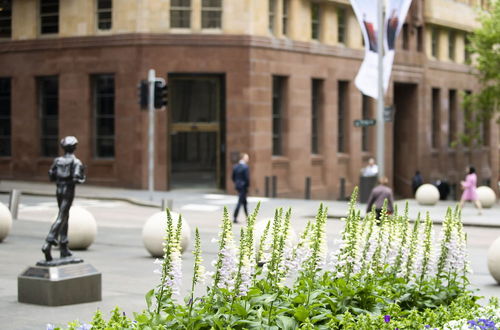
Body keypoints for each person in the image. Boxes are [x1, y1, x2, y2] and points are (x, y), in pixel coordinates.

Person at [41, 136, 86, 262]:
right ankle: (48, 242)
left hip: (59, 189)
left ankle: (64, 247)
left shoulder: (58, 160)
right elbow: (77, 178)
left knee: (65, 217)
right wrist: (83, 178)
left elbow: (51, 175)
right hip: (68, 190)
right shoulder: (76, 162)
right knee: (62, 216)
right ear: (75, 148)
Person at [232, 153, 250, 224]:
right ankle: (235, 217)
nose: (248, 159)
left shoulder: (235, 166)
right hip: (243, 187)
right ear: (243, 158)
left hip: (238, 186)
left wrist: (237, 183)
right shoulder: (245, 167)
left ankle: (247, 217)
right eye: (247, 158)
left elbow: (233, 177)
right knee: (240, 202)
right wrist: (247, 186)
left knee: (244, 202)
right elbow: (247, 178)